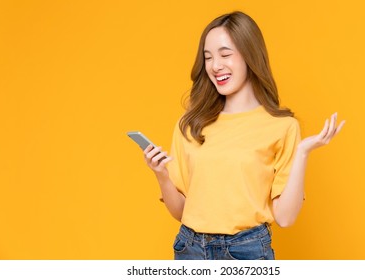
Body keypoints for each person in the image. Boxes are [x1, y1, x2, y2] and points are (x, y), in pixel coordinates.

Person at [143, 11, 345, 260]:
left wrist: (303, 152)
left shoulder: (282, 127)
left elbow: (285, 217)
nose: (215, 66)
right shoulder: (191, 124)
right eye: (208, 58)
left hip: (247, 251)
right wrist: (161, 174)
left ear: (250, 56)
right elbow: (182, 211)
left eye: (225, 54)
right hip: (190, 249)